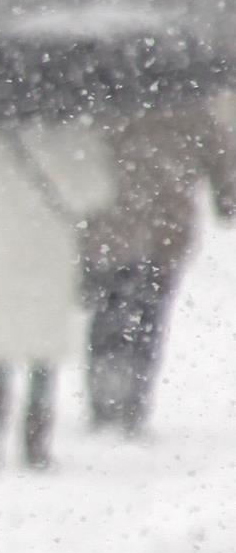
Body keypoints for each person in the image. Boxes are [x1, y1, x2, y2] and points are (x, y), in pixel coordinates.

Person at [0, 121, 114, 467]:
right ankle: (36, 440)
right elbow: (97, 193)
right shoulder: (71, 137)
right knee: (42, 359)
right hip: (51, 257)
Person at [80, 99, 236, 435]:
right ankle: (134, 400)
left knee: (106, 315)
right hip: (165, 235)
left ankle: (104, 396)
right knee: (148, 319)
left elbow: (81, 163)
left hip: (109, 232)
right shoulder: (193, 112)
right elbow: (224, 174)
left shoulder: (106, 106)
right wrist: (225, 199)